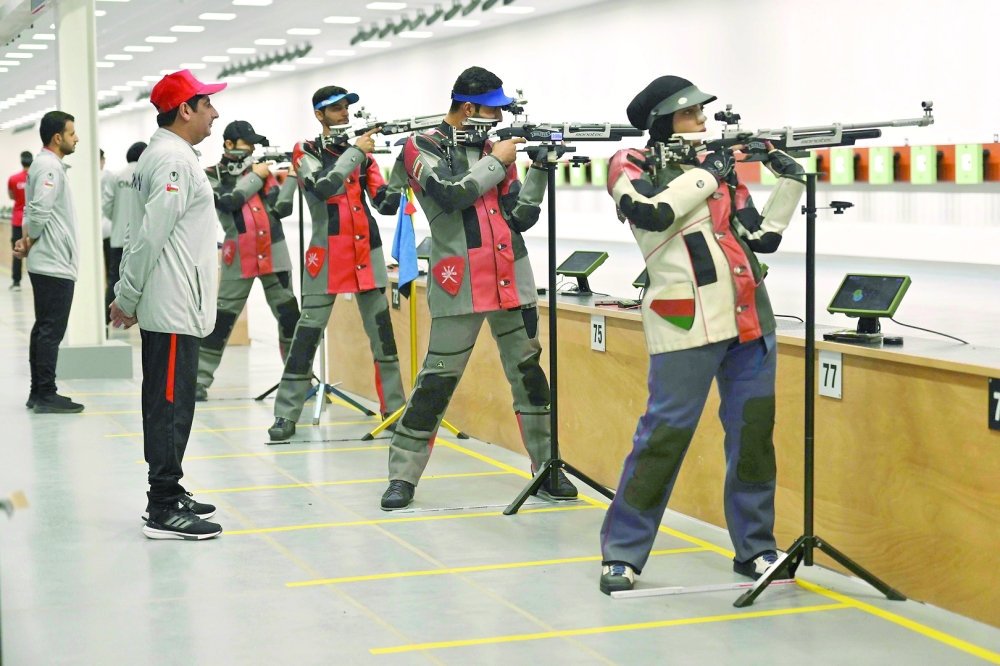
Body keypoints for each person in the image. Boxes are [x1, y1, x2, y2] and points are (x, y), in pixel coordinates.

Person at [597, 76, 806, 594]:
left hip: (749, 318)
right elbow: (653, 213)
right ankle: (622, 552)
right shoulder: (630, 163)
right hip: (685, 319)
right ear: (664, 120)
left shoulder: (718, 171)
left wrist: (791, 180)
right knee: (663, 437)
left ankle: (756, 548)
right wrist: (710, 174)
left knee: (753, 437)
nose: (703, 122)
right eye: (692, 114)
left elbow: (761, 237)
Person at [379, 66, 577, 510]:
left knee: (530, 378)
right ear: (468, 108)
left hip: (512, 277)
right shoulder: (421, 146)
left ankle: (546, 469)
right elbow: (450, 194)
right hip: (459, 282)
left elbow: (520, 216)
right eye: (493, 109)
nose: (499, 118)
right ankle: (402, 476)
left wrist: (539, 169)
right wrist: (499, 161)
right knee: (436, 381)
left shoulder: (492, 149)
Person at [110, 69, 227, 540]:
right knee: (169, 406)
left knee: (170, 402)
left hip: (176, 300)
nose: (215, 112)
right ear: (184, 110)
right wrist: (127, 296)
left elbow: (144, 231)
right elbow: (149, 236)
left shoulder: (168, 156)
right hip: (173, 302)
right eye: (207, 104)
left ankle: (169, 490)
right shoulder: (173, 160)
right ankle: (162, 506)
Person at [267, 85, 405, 441]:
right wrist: (357, 152)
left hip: (367, 255)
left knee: (383, 339)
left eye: (346, 107)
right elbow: (322, 185)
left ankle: (394, 410)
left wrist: (403, 167)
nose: (344, 113)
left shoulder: (363, 156)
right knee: (306, 338)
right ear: (319, 115)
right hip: (326, 258)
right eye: (336, 108)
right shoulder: (306, 150)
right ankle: (286, 414)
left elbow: (385, 203)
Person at [197, 120, 299, 401]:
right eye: (247, 143)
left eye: (254, 144)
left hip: (275, 253)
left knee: (290, 318)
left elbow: (281, 209)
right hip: (239, 256)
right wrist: (255, 176)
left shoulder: (263, 173)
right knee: (222, 321)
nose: (252, 149)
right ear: (229, 144)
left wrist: (291, 177)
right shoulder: (211, 174)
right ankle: (198, 381)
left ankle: (297, 380)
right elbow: (229, 201)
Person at [14, 111, 84, 414]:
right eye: (72, 133)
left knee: (43, 328)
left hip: (48, 259)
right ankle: (46, 393)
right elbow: (40, 210)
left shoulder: (44, 166)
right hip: (53, 261)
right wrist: (30, 239)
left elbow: (31, 210)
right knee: (50, 330)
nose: (76, 138)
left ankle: (38, 392)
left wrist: (27, 238)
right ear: (58, 138)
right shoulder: (49, 167)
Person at [106, 142, 147, 319]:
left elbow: (106, 204)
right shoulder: (146, 174)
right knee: (141, 282)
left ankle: (107, 319)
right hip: (140, 241)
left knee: (114, 280)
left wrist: (117, 219)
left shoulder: (117, 176)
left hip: (118, 238)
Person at [6, 150, 32, 290]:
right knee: (33, 250)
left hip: (17, 220)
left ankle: (16, 282)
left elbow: (12, 196)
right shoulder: (35, 177)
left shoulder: (13, 179)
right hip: (32, 220)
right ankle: (35, 282)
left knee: (17, 250)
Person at [99, 148, 116, 324]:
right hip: (108, 230)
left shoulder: (81, 177)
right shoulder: (109, 176)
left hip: (92, 231)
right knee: (111, 275)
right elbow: (109, 204)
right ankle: (107, 314)